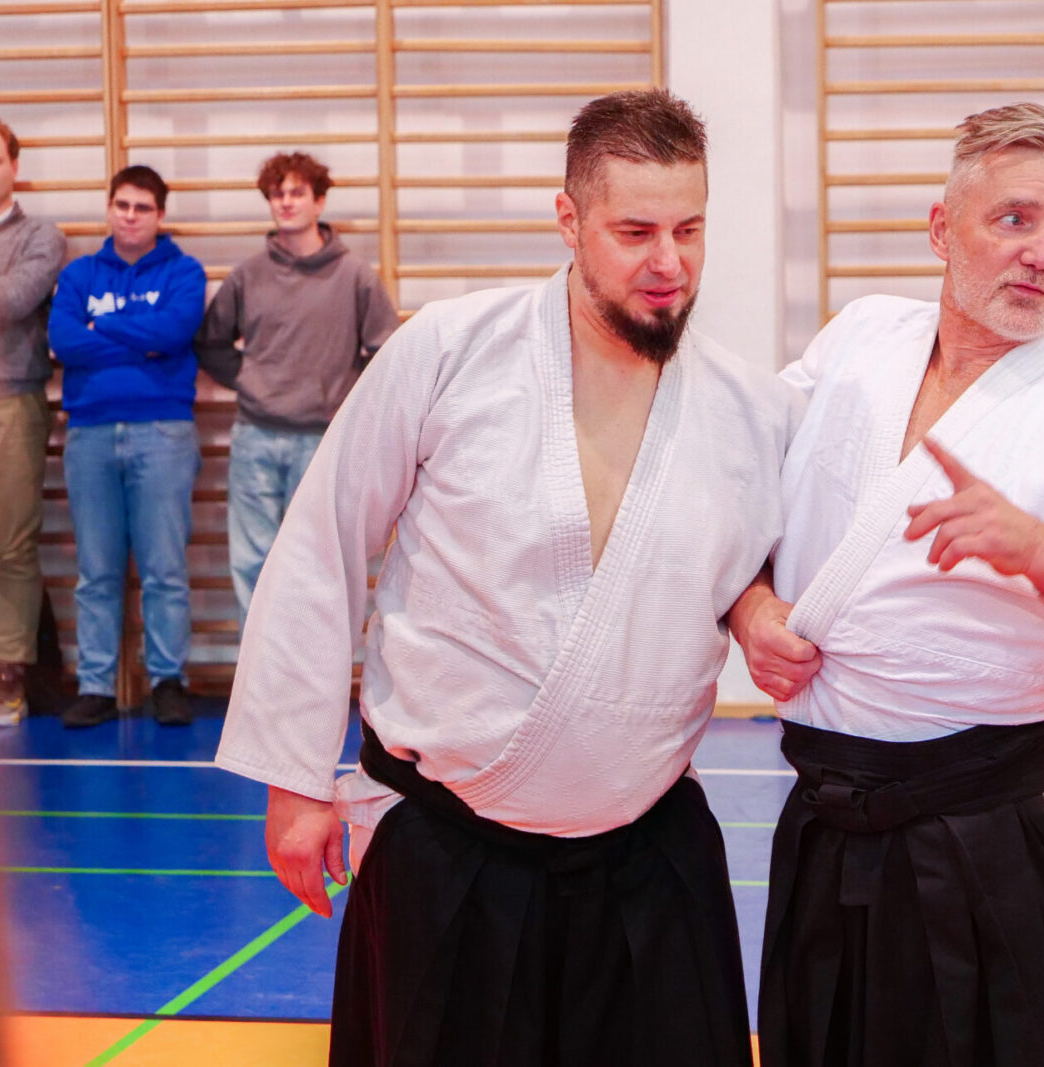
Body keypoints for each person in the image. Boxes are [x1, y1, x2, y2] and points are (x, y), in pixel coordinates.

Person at [214, 89, 798, 1066]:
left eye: (689, 230)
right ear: (568, 219)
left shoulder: (751, 408)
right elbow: (323, 539)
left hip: (648, 858)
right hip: (450, 854)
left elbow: (776, 566)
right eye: (635, 232)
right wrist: (295, 778)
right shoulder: (449, 351)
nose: (669, 262)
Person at [729, 103, 1044, 1067]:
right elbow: (738, 484)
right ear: (940, 229)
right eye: (1014, 219)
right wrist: (751, 606)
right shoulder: (859, 341)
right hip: (828, 823)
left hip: (1000, 836)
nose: (1043, 252)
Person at [197, 151, 398, 620]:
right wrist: (250, 380)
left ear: (319, 201)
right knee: (253, 564)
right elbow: (210, 342)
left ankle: (321, 666)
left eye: (297, 193)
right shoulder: (249, 274)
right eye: (277, 194)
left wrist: (344, 399)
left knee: (320, 564)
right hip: (255, 437)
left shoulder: (354, 275)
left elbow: (386, 354)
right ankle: (260, 668)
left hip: (323, 441)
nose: (286, 202)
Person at [47, 165, 205, 728]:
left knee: (164, 567)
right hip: (89, 432)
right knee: (96, 570)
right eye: (122, 205)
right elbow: (63, 340)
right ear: (109, 208)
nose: (130, 216)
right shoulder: (79, 274)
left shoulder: (184, 271)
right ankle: (96, 685)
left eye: (142, 207)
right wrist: (140, 339)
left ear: (159, 215)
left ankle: (167, 681)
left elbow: (174, 332)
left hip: (162, 431)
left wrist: (103, 330)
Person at [0, 116, 66, 727]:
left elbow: (14, 300)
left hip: (9, 400)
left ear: (14, 166)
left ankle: (6, 677)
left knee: (11, 546)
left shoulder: (40, 235)